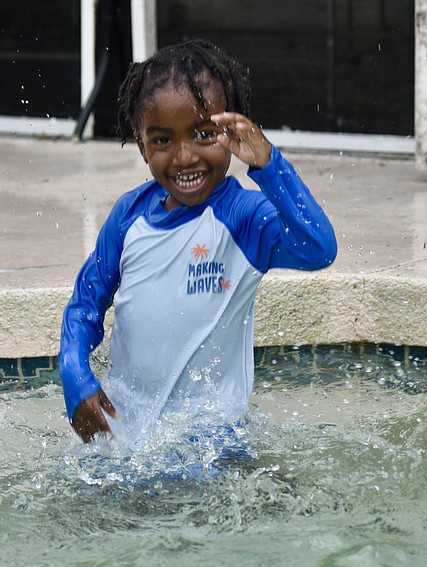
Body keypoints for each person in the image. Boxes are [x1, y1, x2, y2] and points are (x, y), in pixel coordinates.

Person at [58, 39, 338, 448]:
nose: (185, 157)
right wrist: (75, 376)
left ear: (231, 133)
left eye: (204, 134)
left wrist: (268, 164)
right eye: (162, 141)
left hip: (214, 448)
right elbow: (85, 304)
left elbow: (318, 247)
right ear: (141, 146)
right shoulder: (128, 216)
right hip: (127, 440)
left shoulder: (243, 218)